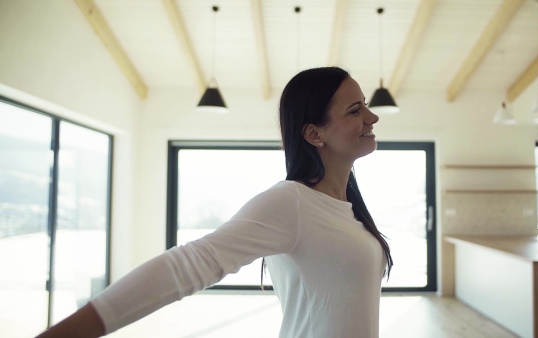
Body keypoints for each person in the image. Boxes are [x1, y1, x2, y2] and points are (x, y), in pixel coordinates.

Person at [36, 66, 393, 338]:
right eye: (355, 110)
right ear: (315, 134)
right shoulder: (292, 203)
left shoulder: (347, 209)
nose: (372, 117)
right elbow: (188, 264)